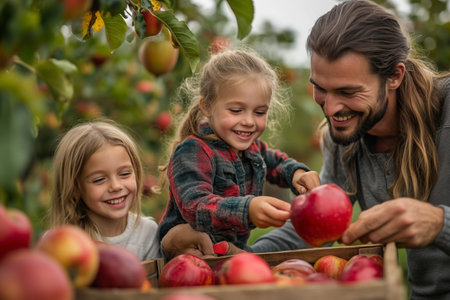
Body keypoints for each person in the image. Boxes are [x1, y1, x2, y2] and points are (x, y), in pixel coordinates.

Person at [162, 1, 450, 298]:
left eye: (348, 92)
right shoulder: (345, 138)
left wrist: (440, 223)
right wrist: (239, 265)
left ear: (394, 76)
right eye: (320, 88)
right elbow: (313, 231)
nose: (331, 108)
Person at [157, 49, 320, 254]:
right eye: (236, 110)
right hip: (189, 255)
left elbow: (275, 162)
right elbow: (195, 206)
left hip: (230, 253)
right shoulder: (193, 150)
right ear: (207, 106)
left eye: (259, 112)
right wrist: (247, 209)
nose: (249, 121)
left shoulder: (252, 148)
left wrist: (297, 174)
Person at [50, 119, 162, 261]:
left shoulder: (147, 233)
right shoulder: (62, 242)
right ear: (74, 188)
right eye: (99, 180)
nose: (116, 186)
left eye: (125, 174)